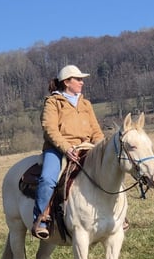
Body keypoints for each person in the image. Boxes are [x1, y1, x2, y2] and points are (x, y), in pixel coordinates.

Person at [32, 64, 105, 239]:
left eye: (82, 79)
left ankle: (116, 215)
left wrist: (102, 148)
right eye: (78, 79)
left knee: (108, 170)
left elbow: (96, 130)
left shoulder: (86, 103)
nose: (82, 82)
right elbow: (49, 128)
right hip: (58, 149)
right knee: (48, 178)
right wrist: (66, 148)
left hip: (85, 147)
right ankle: (42, 219)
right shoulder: (53, 102)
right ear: (66, 82)